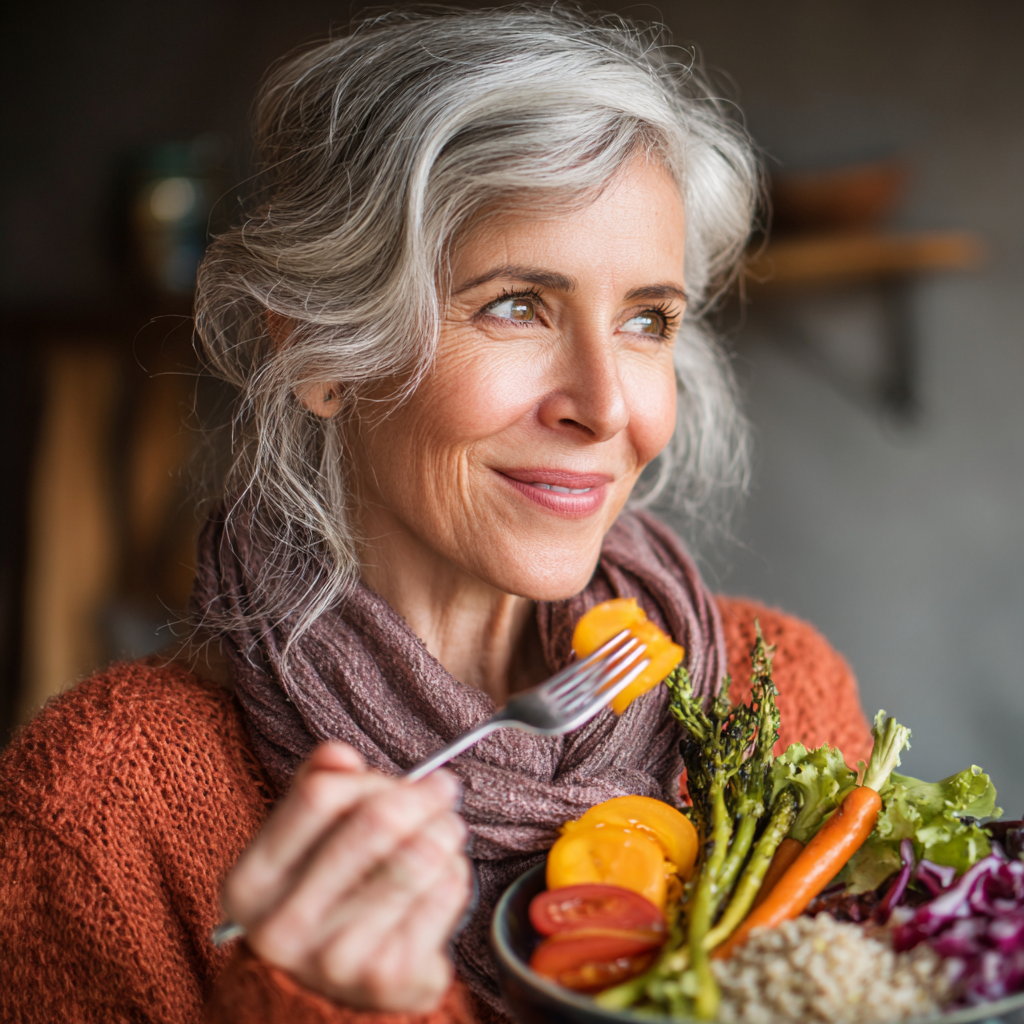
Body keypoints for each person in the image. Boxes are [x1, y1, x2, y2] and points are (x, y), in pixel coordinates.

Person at [0, 8, 872, 1023]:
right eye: (515, 304)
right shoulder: (99, 807)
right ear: (320, 352)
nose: (602, 403)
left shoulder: (785, 702)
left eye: (646, 320)